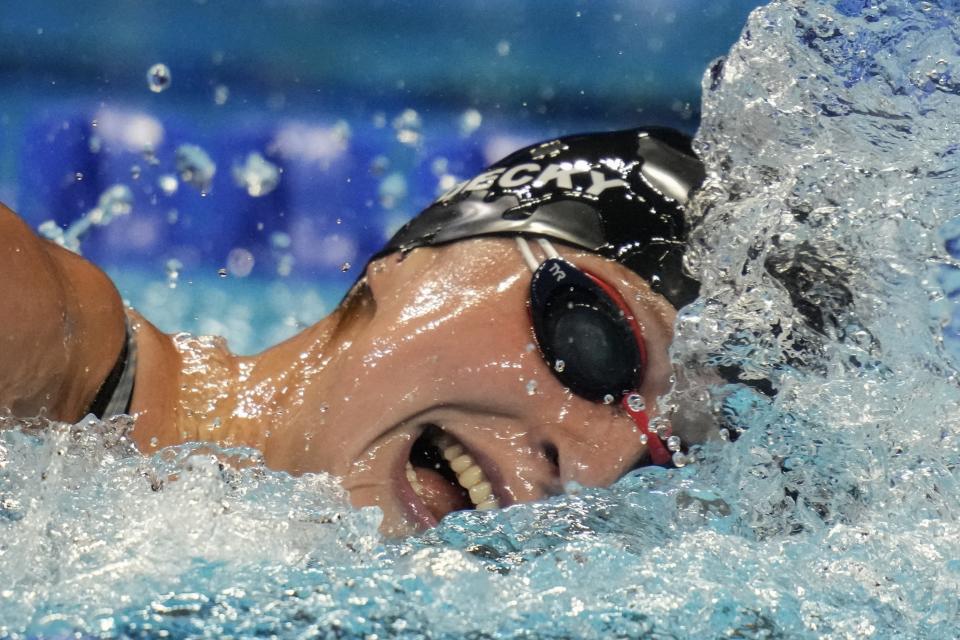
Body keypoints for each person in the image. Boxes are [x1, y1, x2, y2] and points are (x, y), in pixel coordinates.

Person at [0, 127, 713, 536]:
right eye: (596, 346)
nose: (594, 466)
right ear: (418, 254)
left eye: (660, 462)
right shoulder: (38, 345)